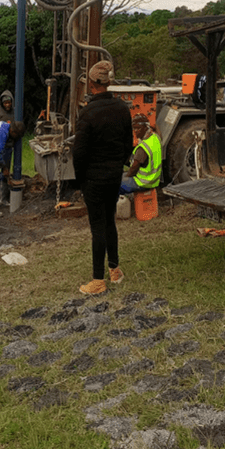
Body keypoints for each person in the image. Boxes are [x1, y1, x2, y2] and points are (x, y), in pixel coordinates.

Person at [73, 59, 133, 295]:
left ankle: (98, 281)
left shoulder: (88, 113)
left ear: (91, 83)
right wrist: (117, 165)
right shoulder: (122, 108)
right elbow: (128, 144)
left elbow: (79, 152)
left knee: (97, 227)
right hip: (113, 176)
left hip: (93, 179)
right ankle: (115, 270)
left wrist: (81, 180)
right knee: (110, 222)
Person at [120, 113, 163, 194]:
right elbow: (159, 133)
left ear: (146, 127)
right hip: (154, 181)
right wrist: (154, 125)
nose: (135, 131)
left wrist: (126, 176)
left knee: (114, 185)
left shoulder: (142, 148)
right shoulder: (156, 138)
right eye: (134, 128)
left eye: (138, 128)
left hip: (142, 183)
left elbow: (132, 171)